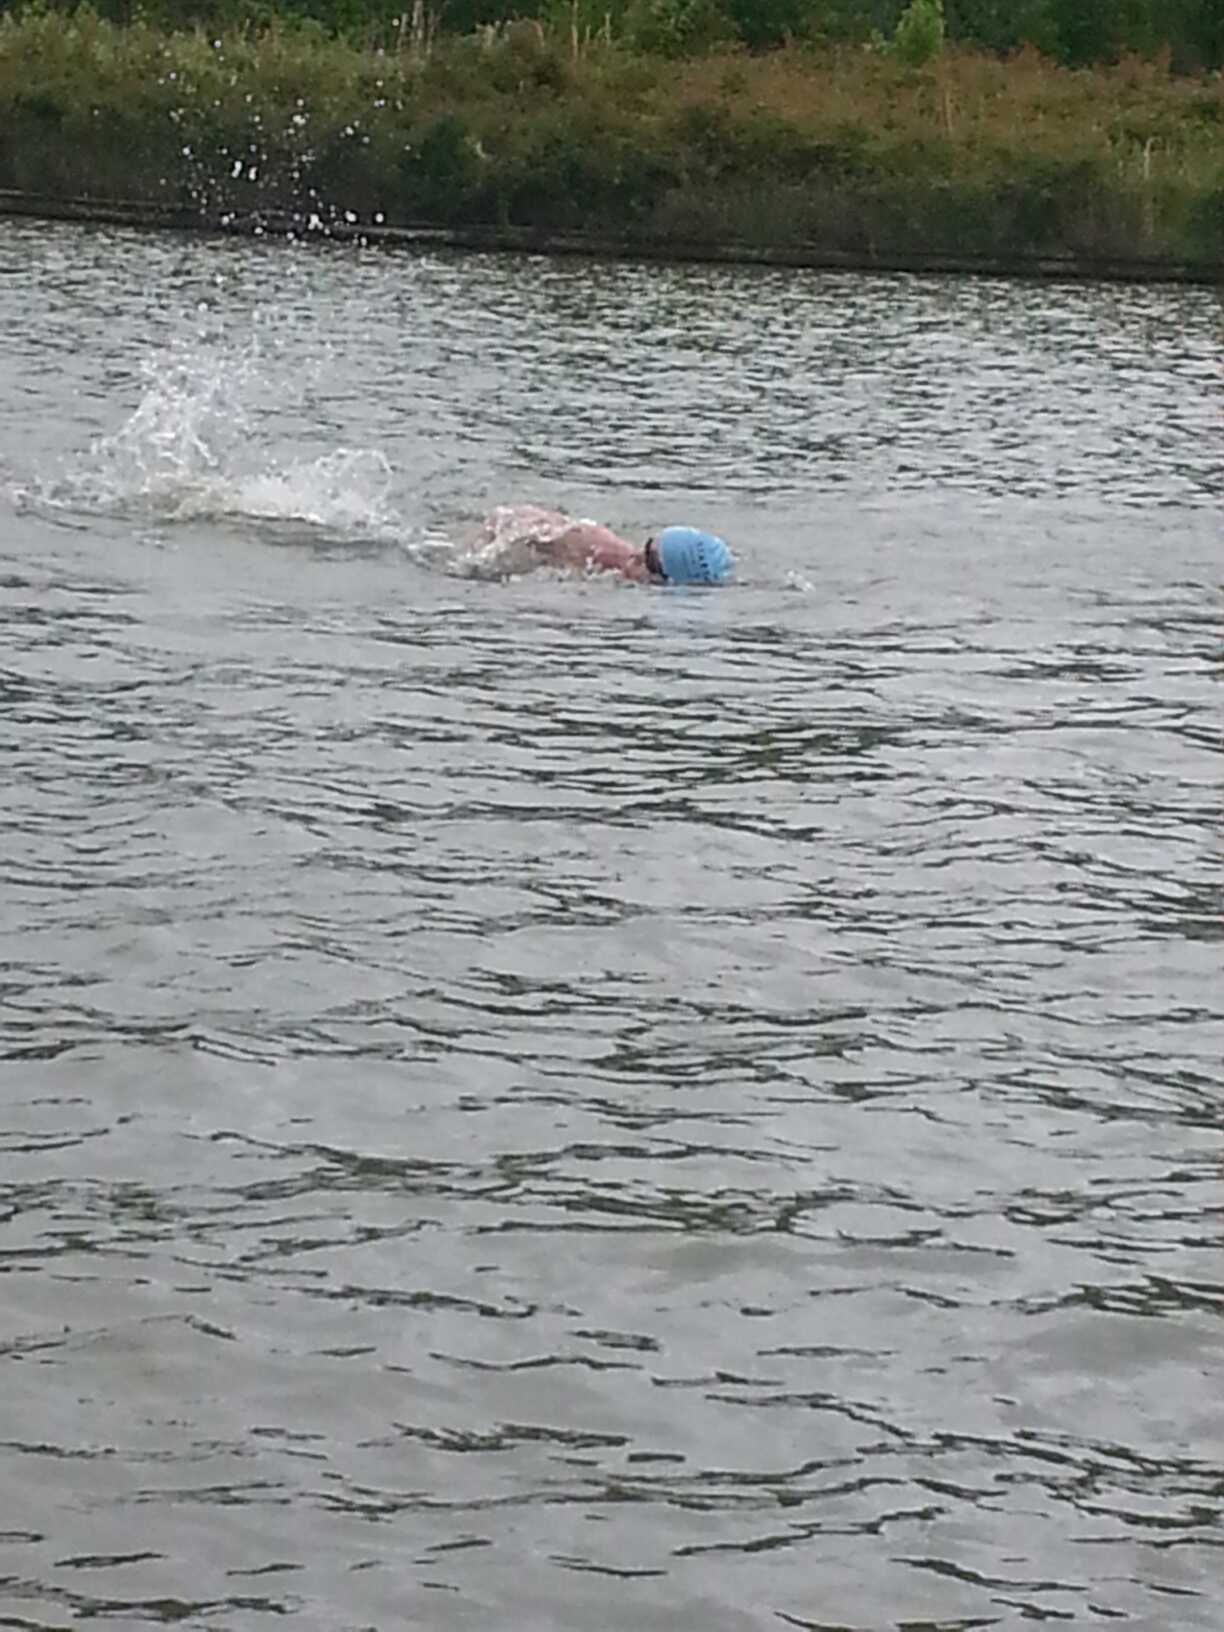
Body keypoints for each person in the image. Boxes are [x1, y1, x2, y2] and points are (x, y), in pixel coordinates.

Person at [466, 504, 732, 584]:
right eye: (645, 549)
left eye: (649, 563)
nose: (634, 559)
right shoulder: (589, 544)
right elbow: (506, 517)